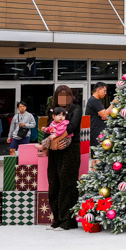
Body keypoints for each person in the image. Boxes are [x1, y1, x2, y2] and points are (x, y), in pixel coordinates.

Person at [46, 85, 81, 231]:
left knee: (67, 185)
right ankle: (57, 220)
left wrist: (55, 141)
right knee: (54, 184)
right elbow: (47, 130)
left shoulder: (76, 109)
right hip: (54, 152)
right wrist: (52, 144)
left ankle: (68, 221)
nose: (62, 98)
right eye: (59, 95)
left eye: (65, 95)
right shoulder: (53, 111)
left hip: (70, 150)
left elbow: (72, 127)